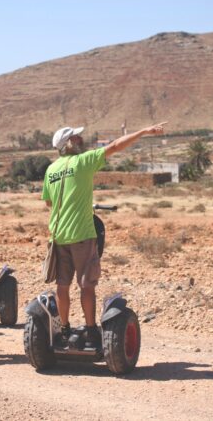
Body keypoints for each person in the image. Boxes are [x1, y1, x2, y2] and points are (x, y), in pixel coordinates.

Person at [41, 122, 167, 347]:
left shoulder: (51, 170)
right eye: (76, 138)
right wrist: (144, 131)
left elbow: (49, 202)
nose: (80, 140)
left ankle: (64, 330)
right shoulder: (83, 161)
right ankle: (90, 332)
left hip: (58, 236)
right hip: (82, 234)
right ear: (68, 144)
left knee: (62, 285)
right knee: (86, 284)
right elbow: (116, 146)